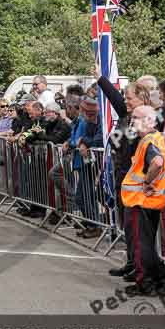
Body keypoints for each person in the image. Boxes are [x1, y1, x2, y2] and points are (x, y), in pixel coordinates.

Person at [97, 76, 152, 280]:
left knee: (138, 226)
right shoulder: (125, 115)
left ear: (142, 99)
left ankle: (141, 268)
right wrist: (100, 78)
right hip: (122, 174)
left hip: (137, 178)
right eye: (126, 99)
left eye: (130, 98)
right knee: (127, 223)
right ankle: (131, 262)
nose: (126, 102)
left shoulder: (146, 120)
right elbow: (114, 98)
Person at [122, 105, 165, 295]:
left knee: (139, 244)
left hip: (141, 200)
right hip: (149, 201)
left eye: (136, 117)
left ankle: (145, 283)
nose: (132, 121)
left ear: (149, 121)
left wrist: (146, 181)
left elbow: (158, 162)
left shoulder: (149, 141)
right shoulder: (155, 139)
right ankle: (162, 277)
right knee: (144, 244)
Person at [64, 97, 103, 238]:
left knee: (83, 196)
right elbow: (82, 138)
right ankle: (91, 222)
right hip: (86, 161)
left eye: (83, 110)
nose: (82, 113)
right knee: (85, 195)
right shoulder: (88, 122)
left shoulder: (99, 121)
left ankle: (94, 225)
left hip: (93, 162)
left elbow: (99, 139)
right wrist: (77, 142)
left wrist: (83, 142)